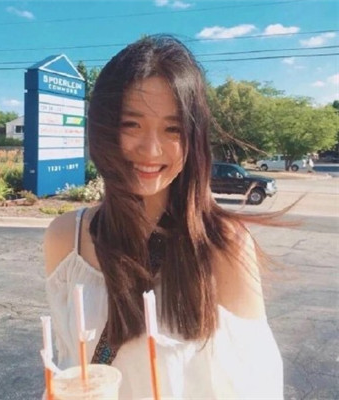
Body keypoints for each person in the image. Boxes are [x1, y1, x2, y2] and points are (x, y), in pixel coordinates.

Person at [44, 35, 283, 399]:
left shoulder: (223, 244)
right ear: (103, 128)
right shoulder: (66, 239)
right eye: (131, 124)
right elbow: (69, 362)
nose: (151, 149)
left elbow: (255, 385)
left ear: (193, 139)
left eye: (173, 129)